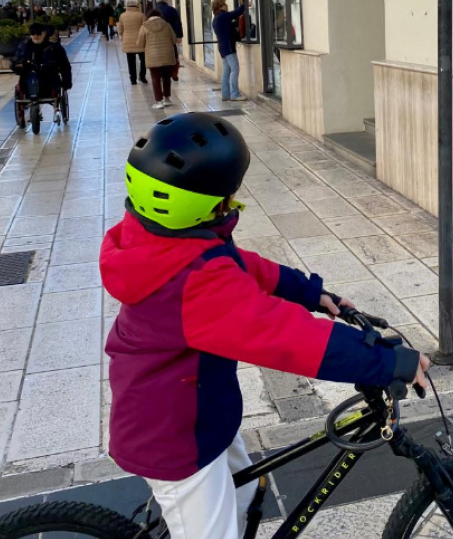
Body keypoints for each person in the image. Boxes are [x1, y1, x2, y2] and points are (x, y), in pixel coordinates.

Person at [100, 111, 430, 539]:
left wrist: (310, 292)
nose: (232, 202)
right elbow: (287, 337)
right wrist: (386, 361)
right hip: (174, 438)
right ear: (200, 205)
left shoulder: (161, 238)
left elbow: (237, 266)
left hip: (194, 410)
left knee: (245, 494)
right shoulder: (193, 282)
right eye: (228, 196)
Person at [12, 23, 72, 102]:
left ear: (44, 33)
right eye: (33, 33)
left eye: (38, 32)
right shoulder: (24, 48)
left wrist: (66, 82)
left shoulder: (55, 48)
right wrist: (18, 66)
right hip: (28, 83)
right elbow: (16, 61)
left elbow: (65, 66)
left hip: (49, 82)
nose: (35, 35)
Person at [137, 8, 175, 109]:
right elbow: (174, 40)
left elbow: (140, 44)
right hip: (167, 55)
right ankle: (167, 99)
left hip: (152, 56)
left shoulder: (144, 27)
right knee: (166, 77)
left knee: (155, 78)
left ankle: (159, 101)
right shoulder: (167, 25)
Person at [211, 0, 245, 101]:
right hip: (228, 47)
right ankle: (235, 94)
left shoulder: (216, 19)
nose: (227, 6)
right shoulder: (223, 16)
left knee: (226, 70)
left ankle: (225, 94)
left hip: (222, 48)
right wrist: (244, 4)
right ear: (220, 7)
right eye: (225, 5)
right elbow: (236, 13)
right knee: (235, 69)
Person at [118, 0, 146, 84]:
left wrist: (121, 35)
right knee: (143, 60)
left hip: (128, 41)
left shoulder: (122, 16)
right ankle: (142, 76)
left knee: (131, 61)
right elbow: (145, 27)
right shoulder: (141, 15)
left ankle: (133, 79)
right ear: (137, 6)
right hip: (140, 40)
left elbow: (120, 29)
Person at [155, 0, 181, 81]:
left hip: (157, 38)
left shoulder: (153, 11)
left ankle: (161, 74)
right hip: (170, 37)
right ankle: (174, 74)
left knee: (159, 56)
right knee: (174, 56)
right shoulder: (172, 10)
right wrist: (179, 36)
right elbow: (177, 23)